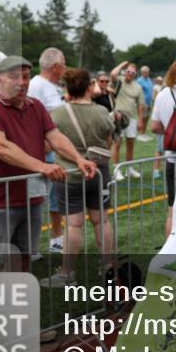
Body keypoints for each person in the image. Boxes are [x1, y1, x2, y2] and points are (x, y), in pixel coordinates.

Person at [0, 56, 96, 274]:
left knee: (25, 258)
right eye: (14, 76)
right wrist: (43, 166)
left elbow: (55, 137)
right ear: (0, 79)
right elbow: (1, 147)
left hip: (31, 198)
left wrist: (78, 158)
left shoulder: (35, 106)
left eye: (26, 77)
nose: (21, 82)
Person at [44, 68, 116, 287]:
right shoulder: (102, 112)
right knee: (102, 221)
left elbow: (49, 145)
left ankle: (67, 274)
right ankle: (108, 268)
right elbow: (108, 141)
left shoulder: (57, 114)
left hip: (69, 175)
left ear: (67, 88)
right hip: (99, 173)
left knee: (73, 226)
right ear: (89, 87)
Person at [28, 47, 67, 253]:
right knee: (34, 201)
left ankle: (56, 238)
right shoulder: (36, 86)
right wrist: (41, 146)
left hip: (53, 153)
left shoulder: (51, 87)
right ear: (55, 66)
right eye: (64, 63)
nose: (65, 67)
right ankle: (30, 247)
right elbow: (29, 121)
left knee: (54, 198)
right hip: (40, 155)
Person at [150, 60, 176, 237]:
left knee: (172, 209)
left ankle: (170, 246)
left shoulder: (163, 94)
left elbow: (154, 126)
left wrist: (171, 132)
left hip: (172, 158)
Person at [109, 60, 145, 179]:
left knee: (130, 144)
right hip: (118, 117)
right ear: (125, 72)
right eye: (128, 71)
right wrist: (122, 64)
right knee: (117, 143)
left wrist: (140, 120)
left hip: (132, 118)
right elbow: (113, 74)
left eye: (133, 72)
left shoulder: (138, 87)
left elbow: (140, 105)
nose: (130, 74)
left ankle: (129, 169)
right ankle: (116, 170)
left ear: (135, 74)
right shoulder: (119, 81)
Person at [137, 65, 154, 135]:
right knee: (142, 118)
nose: (147, 73)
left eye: (148, 72)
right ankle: (140, 134)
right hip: (143, 103)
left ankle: (143, 133)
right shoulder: (139, 81)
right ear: (142, 72)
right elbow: (138, 92)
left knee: (147, 118)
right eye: (146, 72)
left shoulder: (149, 80)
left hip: (149, 102)